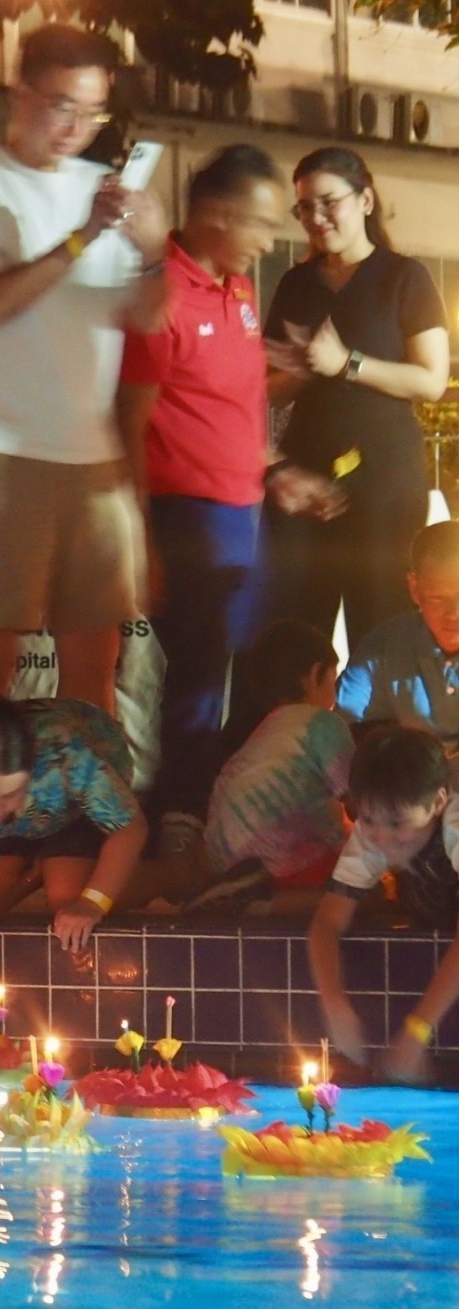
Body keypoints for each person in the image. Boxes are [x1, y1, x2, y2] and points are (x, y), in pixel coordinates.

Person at [0, 24, 169, 718]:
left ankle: (94, 787)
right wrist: (83, 237)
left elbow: (150, 317)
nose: (76, 128)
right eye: (62, 105)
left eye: (93, 112)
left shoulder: (104, 187)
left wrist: (153, 253)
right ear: (20, 93)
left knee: (97, 660)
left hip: (93, 454)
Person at [117, 145, 325, 872]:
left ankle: (225, 808)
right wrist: (142, 540)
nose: (270, 240)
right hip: (188, 516)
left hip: (243, 513)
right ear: (217, 215)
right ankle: (177, 822)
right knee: (199, 678)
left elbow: (234, 399)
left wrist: (277, 471)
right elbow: (129, 423)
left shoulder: (236, 289)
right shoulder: (162, 294)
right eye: (261, 223)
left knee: (244, 667)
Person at [266, 147, 449, 651]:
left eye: (329, 202)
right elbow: (267, 389)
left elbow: (431, 381)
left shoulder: (404, 277)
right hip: (306, 479)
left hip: (386, 479)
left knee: (382, 624)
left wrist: (347, 363)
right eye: (305, 207)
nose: (316, 218)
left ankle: (379, 708)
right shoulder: (296, 284)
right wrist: (301, 369)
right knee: (298, 630)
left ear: (365, 200)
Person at [0, 698, 148, 1043]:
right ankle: (38, 866)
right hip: (20, 825)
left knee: (67, 892)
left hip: (76, 810)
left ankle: (182, 870)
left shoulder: (66, 757)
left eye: (8, 794)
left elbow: (130, 829)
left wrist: (93, 901)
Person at [307, 723, 459, 1082]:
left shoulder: (455, 823)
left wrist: (417, 1031)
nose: (382, 837)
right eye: (369, 819)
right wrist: (335, 1004)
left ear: (438, 802)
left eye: (397, 823)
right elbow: (327, 923)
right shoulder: (375, 831)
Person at [186, 620, 351, 909]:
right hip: (280, 859)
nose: (335, 696)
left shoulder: (263, 733)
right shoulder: (323, 723)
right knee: (365, 893)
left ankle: (239, 891)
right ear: (315, 675)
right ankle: (263, 903)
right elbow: (356, 797)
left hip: (223, 860)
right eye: (333, 681)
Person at [335, 521, 459, 750]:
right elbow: (345, 729)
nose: (454, 613)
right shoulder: (383, 649)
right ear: (415, 589)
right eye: (438, 598)